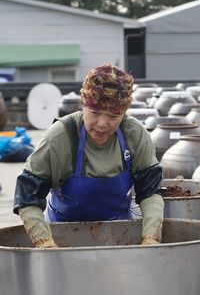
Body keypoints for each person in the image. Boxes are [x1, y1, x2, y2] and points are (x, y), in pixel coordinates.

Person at [12, 64, 164, 248]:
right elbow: (28, 196)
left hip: (120, 236)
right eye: (95, 112)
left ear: (124, 113)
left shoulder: (134, 134)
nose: (102, 123)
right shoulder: (60, 137)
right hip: (63, 236)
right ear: (83, 104)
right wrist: (44, 242)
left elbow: (151, 191)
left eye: (113, 116)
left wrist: (151, 237)